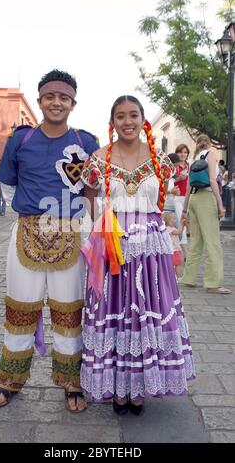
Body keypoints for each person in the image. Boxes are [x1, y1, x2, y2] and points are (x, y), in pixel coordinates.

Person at [0, 69, 99, 413]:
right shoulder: (20, 140)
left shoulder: (87, 143)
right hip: (26, 235)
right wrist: (32, 211)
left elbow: (94, 192)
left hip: (72, 234)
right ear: (39, 101)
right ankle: (10, 379)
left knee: (69, 312)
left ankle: (71, 382)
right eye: (50, 96)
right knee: (20, 309)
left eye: (63, 97)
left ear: (73, 103)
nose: (56, 102)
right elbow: (8, 186)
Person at [80, 95, 195, 415]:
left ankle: (139, 387)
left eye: (133, 115)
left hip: (150, 251)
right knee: (114, 313)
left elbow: (164, 199)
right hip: (113, 246)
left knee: (146, 312)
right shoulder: (98, 158)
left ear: (143, 119)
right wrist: (99, 229)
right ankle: (118, 388)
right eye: (120, 116)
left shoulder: (161, 160)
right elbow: (89, 196)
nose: (127, 121)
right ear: (112, 122)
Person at [180, 134, 231, 294]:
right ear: (209, 144)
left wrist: (184, 209)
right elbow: (211, 180)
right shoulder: (211, 154)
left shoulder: (193, 158)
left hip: (194, 198)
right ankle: (213, 283)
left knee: (196, 242)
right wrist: (220, 204)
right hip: (206, 197)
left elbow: (188, 186)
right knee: (213, 241)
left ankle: (188, 278)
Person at [174, 144, 190, 260]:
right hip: (177, 198)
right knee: (181, 223)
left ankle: (182, 250)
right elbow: (169, 182)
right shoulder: (174, 166)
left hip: (188, 197)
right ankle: (185, 252)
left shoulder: (189, 166)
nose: (183, 154)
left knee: (189, 223)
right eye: (180, 152)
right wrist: (179, 179)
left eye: (185, 152)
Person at [163, 212, 186, 278]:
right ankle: (179, 277)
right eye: (173, 219)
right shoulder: (170, 229)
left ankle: (174, 277)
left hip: (172, 250)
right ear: (168, 221)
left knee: (174, 265)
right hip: (174, 251)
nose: (175, 220)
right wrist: (181, 224)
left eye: (175, 219)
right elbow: (178, 232)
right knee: (178, 265)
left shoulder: (169, 229)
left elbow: (179, 235)